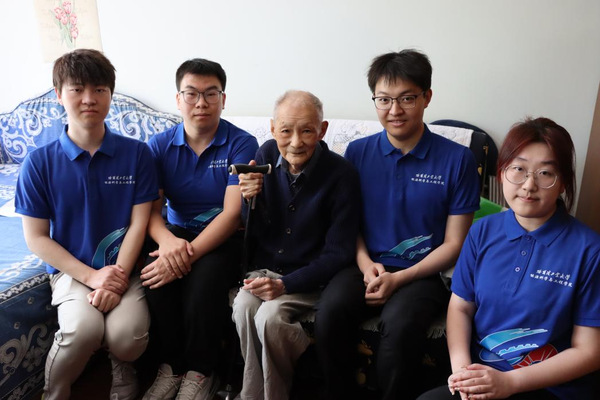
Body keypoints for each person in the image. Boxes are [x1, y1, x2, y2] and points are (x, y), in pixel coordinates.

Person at [314, 49, 481, 400]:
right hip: (365, 264)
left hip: (426, 273)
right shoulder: (357, 153)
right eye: (384, 99)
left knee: (402, 325)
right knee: (330, 312)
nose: (395, 110)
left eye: (407, 98)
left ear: (426, 97)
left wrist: (400, 279)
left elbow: (455, 243)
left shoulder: (458, 159)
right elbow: (348, 224)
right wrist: (366, 265)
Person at [417, 117, 600, 400]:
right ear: (502, 173)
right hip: (483, 374)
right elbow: (461, 307)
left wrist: (509, 383)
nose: (528, 185)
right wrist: (463, 372)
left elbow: (589, 351)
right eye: (518, 169)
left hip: (548, 386)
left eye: (545, 173)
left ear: (563, 182)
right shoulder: (481, 231)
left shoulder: (589, 250)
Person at [14, 49, 158, 400]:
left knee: (129, 337)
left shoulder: (137, 154)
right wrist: (92, 277)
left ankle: (121, 365)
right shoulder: (39, 163)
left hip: (126, 267)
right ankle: (54, 391)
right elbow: (36, 238)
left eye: (99, 89)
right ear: (59, 94)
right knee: (82, 330)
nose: (89, 99)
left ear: (110, 94)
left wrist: (116, 277)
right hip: (72, 270)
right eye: (77, 89)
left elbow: (139, 224)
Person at [139, 58, 258, 400]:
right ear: (178, 100)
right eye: (191, 94)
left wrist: (184, 257)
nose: (201, 103)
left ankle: (201, 372)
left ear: (223, 99)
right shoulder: (158, 146)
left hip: (226, 238)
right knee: (155, 273)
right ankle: (171, 367)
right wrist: (168, 245)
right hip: (177, 234)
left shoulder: (241, 143)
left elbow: (232, 214)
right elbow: (151, 212)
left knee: (204, 280)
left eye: (211, 94)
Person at [231, 90, 361, 400]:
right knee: (243, 307)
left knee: (269, 318)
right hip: (265, 270)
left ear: (322, 130)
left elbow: (339, 252)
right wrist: (249, 199)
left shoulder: (341, 174)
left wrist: (286, 284)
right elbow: (253, 229)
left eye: (307, 131)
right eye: (286, 131)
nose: (295, 142)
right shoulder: (264, 155)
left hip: (309, 278)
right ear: (273, 128)